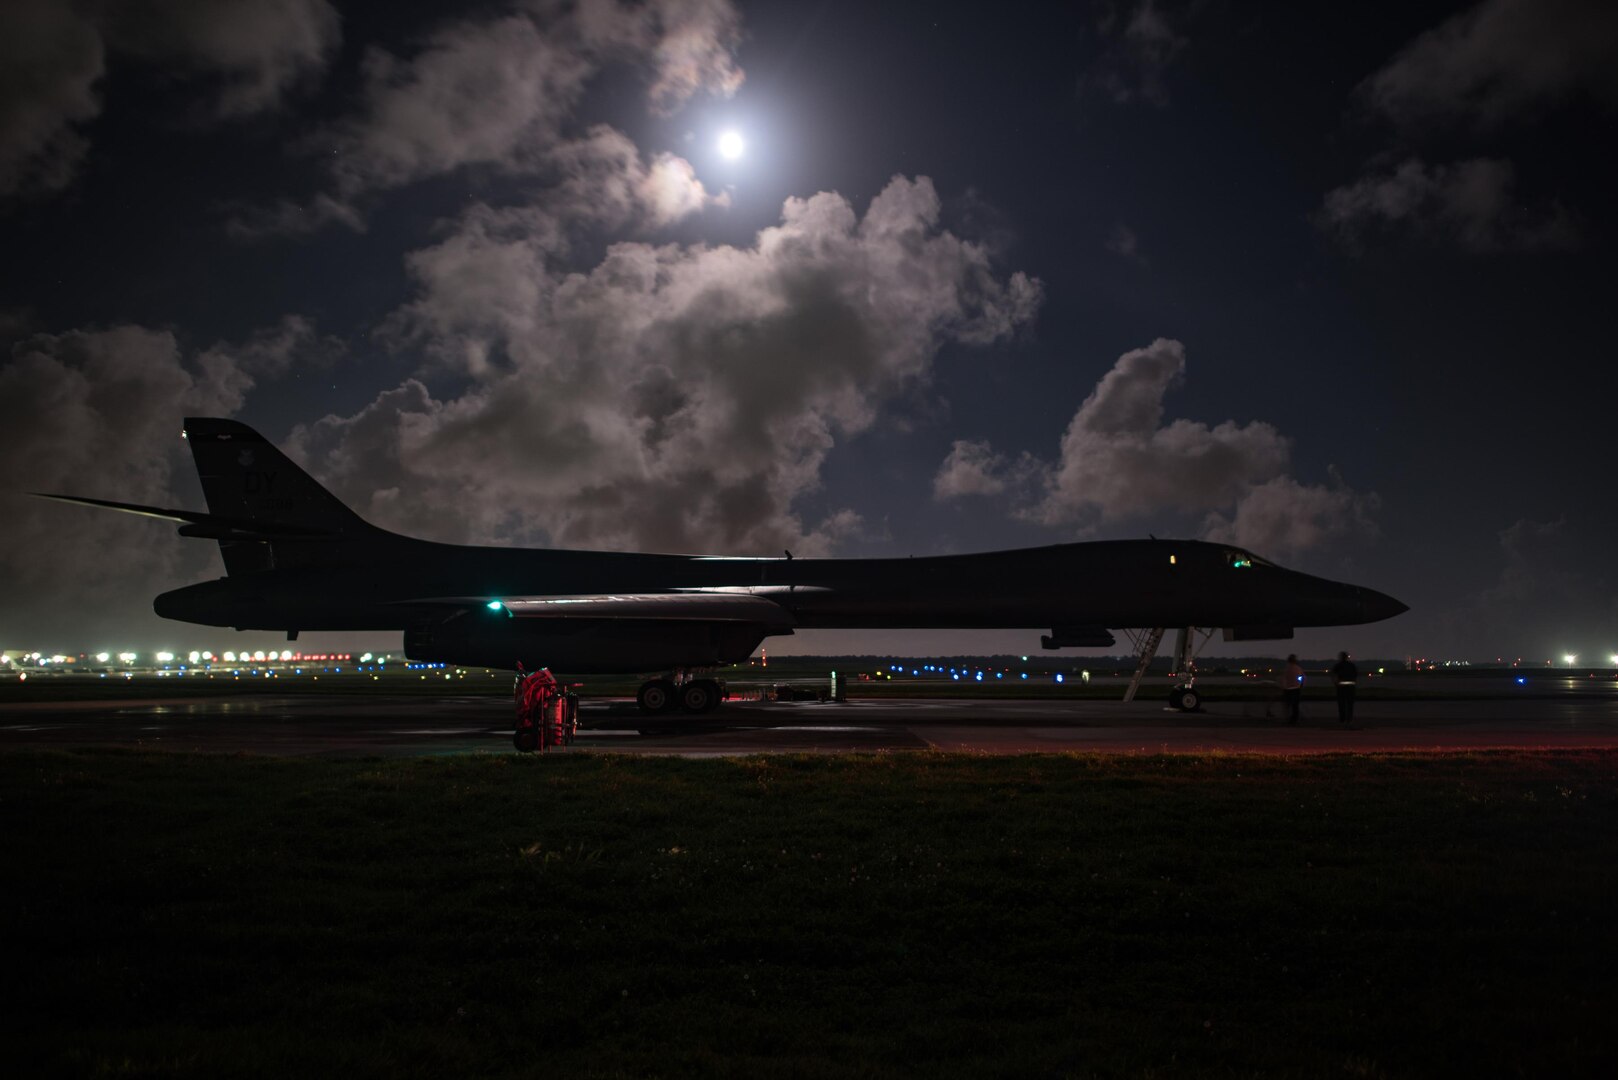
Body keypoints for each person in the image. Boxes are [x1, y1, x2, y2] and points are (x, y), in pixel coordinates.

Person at [1331, 650, 1358, 725]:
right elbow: (1356, 675)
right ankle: (1349, 719)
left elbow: (1333, 674)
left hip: (1341, 687)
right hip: (1351, 687)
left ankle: (1342, 719)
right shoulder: (1352, 665)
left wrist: (1336, 683)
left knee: (1341, 704)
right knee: (1350, 704)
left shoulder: (1338, 665)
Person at [1282, 654, 1304, 724]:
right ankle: (1294, 719)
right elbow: (1300, 677)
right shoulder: (1298, 668)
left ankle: (1288, 719)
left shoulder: (1287, 668)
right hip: (1296, 688)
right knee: (1295, 706)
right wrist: (1299, 684)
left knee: (1288, 705)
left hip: (1288, 689)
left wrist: (1284, 686)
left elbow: (1284, 679)